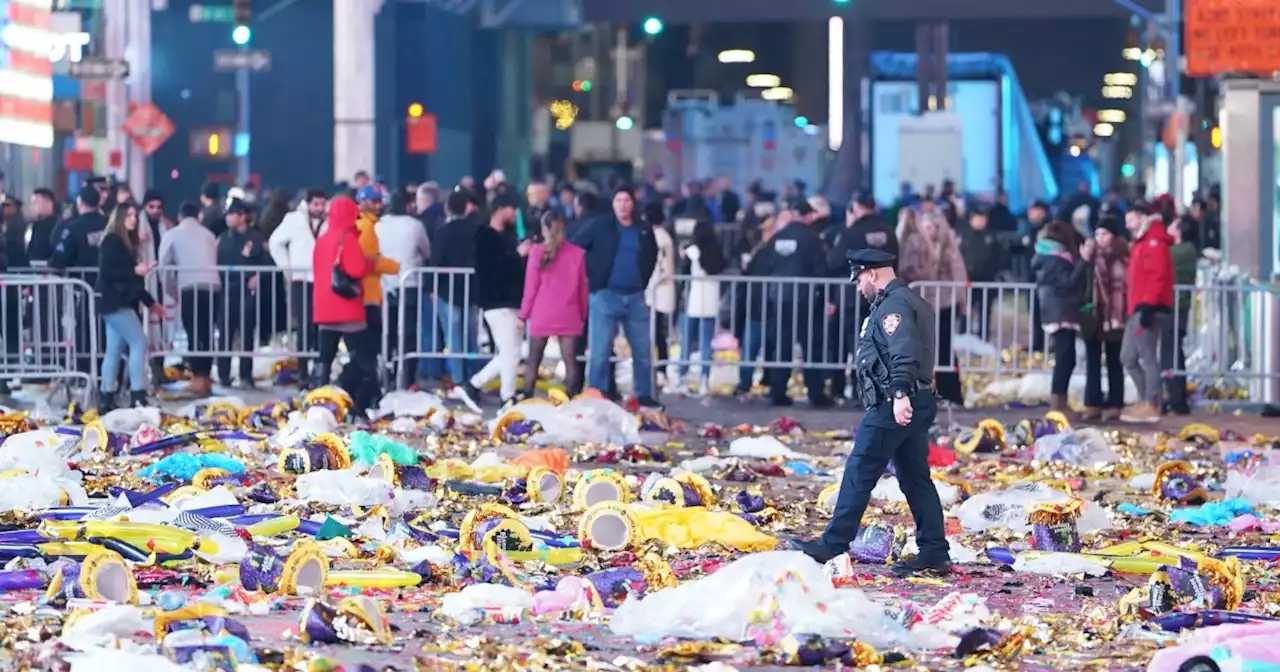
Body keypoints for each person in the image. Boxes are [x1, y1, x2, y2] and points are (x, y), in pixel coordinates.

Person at [790, 249, 948, 577]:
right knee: (915, 477)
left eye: (860, 278)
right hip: (915, 399)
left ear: (872, 274)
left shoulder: (893, 306)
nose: (859, 286)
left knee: (860, 468)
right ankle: (934, 549)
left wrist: (900, 393)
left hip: (895, 402)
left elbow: (903, 353)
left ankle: (833, 543)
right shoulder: (911, 300)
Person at [572, 185, 661, 408]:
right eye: (618, 200)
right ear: (613, 204)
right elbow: (574, 245)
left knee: (642, 351)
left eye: (627, 200)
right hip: (605, 296)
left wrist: (642, 281)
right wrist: (591, 277)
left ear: (633, 203)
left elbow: (651, 255)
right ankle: (596, 393)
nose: (622, 205)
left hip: (635, 297)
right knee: (600, 352)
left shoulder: (643, 229)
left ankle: (643, 394)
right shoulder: (601, 226)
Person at [752, 200, 833, 407]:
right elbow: (821, 269)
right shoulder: (812, 238)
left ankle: (778, 389)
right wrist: (827, 297)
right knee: (811, 346)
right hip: (805, 300)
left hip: (778, 299)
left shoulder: (777, 238)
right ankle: (815, 392)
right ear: (807, 216)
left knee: (781, 346)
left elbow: (764, 267)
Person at [456, 193, 527, 406]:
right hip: (496, 302)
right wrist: (517, 255)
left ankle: (474, 384)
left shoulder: (510, 235)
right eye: (513, 209)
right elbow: (491, 269)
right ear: (502, 209)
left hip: (513, 301)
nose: (516, 215)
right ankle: (507, 397)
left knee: (509, 353)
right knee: (511, 353)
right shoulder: (484, 236)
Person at [827, 193, 897, 399]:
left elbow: (834, 261)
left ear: (856, 207)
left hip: (854, 297)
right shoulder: (888, 232)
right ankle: (876, 389)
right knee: (880, 344)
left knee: (856, 343)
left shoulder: (852, 232)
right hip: (885, 295)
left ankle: (857, 392)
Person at [97, 202, 164, 410]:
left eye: (135, 215)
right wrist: (136, 270)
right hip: (115, 302)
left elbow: (133, 281)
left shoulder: (124, 243)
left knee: (114, 349)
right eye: (129, 215)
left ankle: (107, 396)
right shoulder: (112, 241)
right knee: (139, 343)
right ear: (119, 218)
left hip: (116, 302)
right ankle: (137, 393)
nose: (133, 219)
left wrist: (151, 303)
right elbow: (108, 272)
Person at [311, 196, 376, 410]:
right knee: (363, 358)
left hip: (324, 309)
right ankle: (360, 401)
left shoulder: (322, 239)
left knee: (325, 358)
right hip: (347, 309)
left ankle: (317, 399)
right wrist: (370, 264)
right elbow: (356, 269)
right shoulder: (347, 238)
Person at [901, 211, 968, 405]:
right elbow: (911, 270)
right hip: (922, 301)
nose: (930, 231)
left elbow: (958, 272)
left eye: (933, 227)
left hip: (945, 302)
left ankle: (950, 391)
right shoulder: (915, 244)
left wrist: (962, 302)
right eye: (926, 226)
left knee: (944, 347)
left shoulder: (947, 246)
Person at [521, 211, 588, 399]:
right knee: (570, 361)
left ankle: (526, 398)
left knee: (533, 361)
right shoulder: (578, 254)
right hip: (569, 312)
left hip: (543, 312)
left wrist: (523, 315)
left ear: (544, 229)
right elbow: (582, 288)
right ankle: (570, 400)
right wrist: (582, 315)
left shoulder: (536, 252)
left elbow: (530, 288)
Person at [157, 200, 222, 395]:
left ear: (179, 217)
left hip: (189, 287)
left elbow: (164, 266)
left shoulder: (173, 234)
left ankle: (197, 378)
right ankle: (206, 375)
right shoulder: (209, 235)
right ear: (198, 216)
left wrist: (172, 291)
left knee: (193, 332)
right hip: (213, 286)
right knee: (207, 332)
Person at [342, 185, 400, 397]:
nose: (379, 205)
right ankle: (356, 391)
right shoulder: (366, 228)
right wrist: (395, 266)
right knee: (367, 352)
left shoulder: (366, 226)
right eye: (375, 201)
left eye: (379, 201)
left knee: (364, 352)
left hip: (368, 296)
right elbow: (369, 261)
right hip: (367, 297)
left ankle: (359, 391)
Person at [1120, 204, 1174, 423]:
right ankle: (1147, 400)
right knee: (1128, 357)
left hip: (1147, 307)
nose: (1127, 224)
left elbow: (1156, 276)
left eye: (1130, 219)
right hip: (1138, 306)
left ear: (1142, 217)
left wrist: (1148, 305)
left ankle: (1152, 402)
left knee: (1147, 356)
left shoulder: (1153, 243)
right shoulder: (1143, 243)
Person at [268, 188, 327, 385]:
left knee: (320, 325)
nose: (319, 208)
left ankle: (319, 370)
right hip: (300, 280)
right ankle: (302, 371)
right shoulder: (293, 219)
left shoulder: (328, 220)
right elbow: (275, 242)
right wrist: (286, 267)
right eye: (316, 204)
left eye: (322, 204)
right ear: (308, 203)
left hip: (322, 280)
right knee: (303, 326)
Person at [1032, 221, 1092, 412]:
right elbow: (1069, 282)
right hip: (1061, 312)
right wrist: (1083, 261)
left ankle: (1060, 401)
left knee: (1067, 357)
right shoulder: (1054, 258)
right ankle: (1058, 403)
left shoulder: (1047, 257)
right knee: (1065, 358)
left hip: (1058, 310)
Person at [50, 185, 109, 376]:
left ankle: (85, 373)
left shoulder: (73, 228)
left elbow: (58, 259)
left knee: (85, 331)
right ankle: (109, 374)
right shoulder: (111, 224)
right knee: (110, 333)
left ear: (79, 203)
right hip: (113, 289)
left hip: (85, 290)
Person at [376, 190, 432, 389]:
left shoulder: (379, 225)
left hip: (384, 284)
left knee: (387, 331)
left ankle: (387, 373)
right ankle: (407, 376)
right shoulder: (415, 225)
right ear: (409, 205)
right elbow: (426, 250)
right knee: (408, 333)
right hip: (409, 283)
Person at [215, 200, 270, 387]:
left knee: (246, 334)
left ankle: (245, 375)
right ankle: (223, 374)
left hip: (247, 292)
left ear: (242, 216)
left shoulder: (255, 238)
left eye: (232, 214)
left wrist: (258, 277)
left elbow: (268, 264)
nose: (228, 218)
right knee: (225, 334)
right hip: (226, 290)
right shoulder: (223, 238)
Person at [431, 188, 483, 385]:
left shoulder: (444, 232)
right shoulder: (477, 229)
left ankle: (459, 379)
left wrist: (431, 287)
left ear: (448, 208)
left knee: (454, 338)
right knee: (471, 336)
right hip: (472, 290)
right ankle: (474, 377)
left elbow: (436, 260)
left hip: (447, 291)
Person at [672, 220, 727, 396]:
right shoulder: (717, 252)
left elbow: (684, 273)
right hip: (711, 301)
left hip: (693, 300)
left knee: (686, 341)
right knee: (706, 343)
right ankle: (704, 379)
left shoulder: (692, 251)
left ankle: (681, 376)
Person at [1081, 217, 1128, 421]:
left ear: (1114, 236)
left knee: (1114, 361)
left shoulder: (1122, 257)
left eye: (1105, 234)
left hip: (1115, 316)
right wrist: (1084, 260)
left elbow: (1125, 287)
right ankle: (1093, 403)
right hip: (1094, 315)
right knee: (1092, 361)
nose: (1100, 238)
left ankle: (1115, 403)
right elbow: (1080, 282)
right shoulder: (1090, 256)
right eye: (1098, 234)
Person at [1163, 216, 1198, 415]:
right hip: (1175, 306)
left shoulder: (1182, 251)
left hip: (1176, 307)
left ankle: (1177, 398)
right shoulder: (1185, 250)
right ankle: (1174, 396)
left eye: (1172, 224)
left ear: (1180, 230)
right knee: (1172, 351)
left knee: (1173, 352)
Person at [645, 202, 676, 391]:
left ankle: (660, 369)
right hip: (656, 290)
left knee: (656, 334)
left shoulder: (657, 237)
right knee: (657, 334)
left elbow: (662, 265)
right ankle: (659, 368)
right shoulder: (664, 236)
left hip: (656, 290)